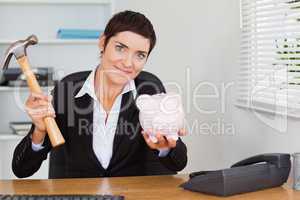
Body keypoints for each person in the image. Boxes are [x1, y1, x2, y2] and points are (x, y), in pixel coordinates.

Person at [12, 10, 187, 178]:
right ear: (103, 43)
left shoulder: (149, 89)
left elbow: (178, 163)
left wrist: (166, 147)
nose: (128, 63)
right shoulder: (67, 89)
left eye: (140, 55)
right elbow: (22, 169)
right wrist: (39, 131)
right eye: (120, 48)